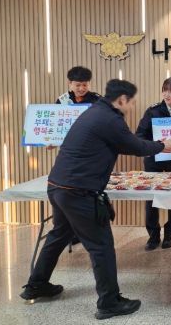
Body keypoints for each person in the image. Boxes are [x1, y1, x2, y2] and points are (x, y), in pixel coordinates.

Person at [20, 79, 171, 320]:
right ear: (122, 99)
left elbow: (124, 144)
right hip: (79, 191)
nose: (132, 107)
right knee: (101, 245)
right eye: (131, 102)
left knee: (58, 235)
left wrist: (158, 146)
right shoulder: (110, 119)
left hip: (58, 186)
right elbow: (134, 145)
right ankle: (109, 302)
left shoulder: (94, 112)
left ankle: (37, 284)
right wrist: (161, 146)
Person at [136, 77, 171, 251]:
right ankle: (153, 235)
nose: (167, 94)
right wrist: (156, 146)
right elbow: (140, 135)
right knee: (152, 198)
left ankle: (169, 234)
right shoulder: (152, 111)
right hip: (154, 159)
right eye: (164, 90)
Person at [54, 66, 101, 246]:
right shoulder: (62, 101)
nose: (81, 88)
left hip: (91, 155)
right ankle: (71, 232)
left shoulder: (97, 100)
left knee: (88, 194)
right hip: (69, 155)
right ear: (70, 83)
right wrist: (51, 140)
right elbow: (55, 126)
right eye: (78, 85)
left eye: (85, 85)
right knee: (69, 194)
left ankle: (88, 231)